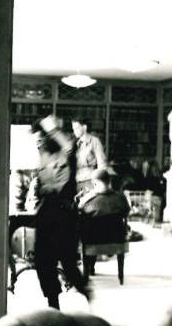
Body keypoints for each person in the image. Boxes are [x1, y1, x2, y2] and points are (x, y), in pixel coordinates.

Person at [30, 115, 91, 308]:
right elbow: (40, 185)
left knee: (67, 261)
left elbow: (68, 146)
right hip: (46, 210)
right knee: (42, 260)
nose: (40, 142)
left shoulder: (66, 153)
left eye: (44, 137)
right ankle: (53, 302)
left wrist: (51, 128)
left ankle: (87, 294)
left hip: (65, 211)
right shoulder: (43, 156)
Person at [77, 167, 131, 277]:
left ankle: (89, 268)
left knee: (87, 229)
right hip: (116, 238)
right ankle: (119, 274)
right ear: (109, 181)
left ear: (94, 183)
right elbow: (126, 212)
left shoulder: (87, 199)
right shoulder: (120, 198)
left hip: (92, 241)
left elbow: (80, 212)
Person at [71, 116, 108, 193]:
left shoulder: (94, 141)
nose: (74, 131)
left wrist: (99, 183)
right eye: (73, 129)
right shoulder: (76, 144)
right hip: (78, 182)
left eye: (77, 128)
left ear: (84, 127)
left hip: (90, 181)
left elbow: (102, 164)